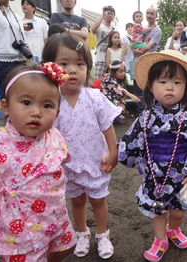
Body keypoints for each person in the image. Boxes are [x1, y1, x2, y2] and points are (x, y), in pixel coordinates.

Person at [118, 50, 187, 262]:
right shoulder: (146, 116)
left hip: (182, 175)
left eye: (177, 82)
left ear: (185, 86)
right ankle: (160, 239)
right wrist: (116, 154)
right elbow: (131, 140)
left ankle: (174, 229)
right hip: (154, 175)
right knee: (157, 210)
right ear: (151, 86)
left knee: (178, 211)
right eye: (163, 81)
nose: (170, 87)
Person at [0, 61, 77, 261]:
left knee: (66, 247)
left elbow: (61, 160)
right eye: (26, 102)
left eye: (47, 105)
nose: (37, 112)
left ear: (57, 113)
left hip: (55, 216)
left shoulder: (54, 135)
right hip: (18, 227)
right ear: (6, 106)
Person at [41, 33, 121, 259]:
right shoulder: (50, 101)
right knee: (76, 200)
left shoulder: (95, 97)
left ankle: (103, 234)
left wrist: (113, 153)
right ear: (49, 67)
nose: (72, 70)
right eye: (63, 63)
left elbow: (107, 127)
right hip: (67, 165)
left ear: (88, 67)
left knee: (98, 200)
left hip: (96, 160)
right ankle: (82, 232)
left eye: (80, 63)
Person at [132, 6, 162, 114]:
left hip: (150, 63)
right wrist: (133, 49)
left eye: (152, 14)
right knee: (138, 88)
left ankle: (149, 114)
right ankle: (141, 114)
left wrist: (136, 49)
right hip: (139, 62)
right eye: (148, 13)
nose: (149, 15)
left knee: (149, 88)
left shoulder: (157, 30)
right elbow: (133, 43)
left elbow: (148, 47)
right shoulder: (142, 29)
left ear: (156, 16)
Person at [92, 5, 116, 80]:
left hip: (112, 61)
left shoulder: (115, 29)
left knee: (110, 85)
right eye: (108, 13)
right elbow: (93, 29)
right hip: (100, 59)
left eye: (112, 14)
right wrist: (102, 15)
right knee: (98, 83)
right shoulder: (100, 26)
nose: (110, 15)